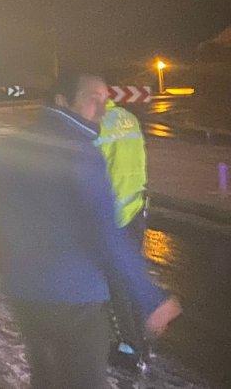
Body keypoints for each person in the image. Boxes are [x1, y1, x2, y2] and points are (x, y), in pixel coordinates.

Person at [0, 71, 181, 387]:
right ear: (63, 101)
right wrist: (150, 297)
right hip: (76, 298)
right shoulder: (82, 154)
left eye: (105, 99)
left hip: (25, 294)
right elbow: (107, 234)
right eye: (91, 99)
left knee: (47, 376)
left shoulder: (11, 146)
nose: (102, 108)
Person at [97, 97, 150, 368]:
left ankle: (129, 346)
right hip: (135, 208)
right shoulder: (128, 117)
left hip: (112, 217)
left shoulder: (96, 125)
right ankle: (141, 340)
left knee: (114, 284)